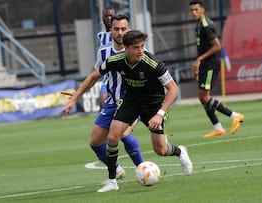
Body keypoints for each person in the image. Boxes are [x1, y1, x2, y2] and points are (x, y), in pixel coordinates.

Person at [61, 30, 193, 192]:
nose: (141, 51)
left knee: (160, 149)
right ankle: (112, 181)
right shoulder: (116, 60)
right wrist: (74, 98)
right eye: (136, 47)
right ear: (126, 48)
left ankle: (180, 152)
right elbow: (94, 75)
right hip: (131, 101)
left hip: (153, 104)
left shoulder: (152, 62)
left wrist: (160, 114)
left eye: (142, 46)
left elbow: (173, 89)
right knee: (112, 136)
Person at [66, 15, 144, 180]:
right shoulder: (103, 52)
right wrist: (75, 97)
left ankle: (143, 169)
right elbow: (94, 76)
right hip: (112, 102)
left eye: (124, 29)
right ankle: (116, 169)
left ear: (129, 29)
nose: (120, 33)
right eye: (116, 29)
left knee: (122, 134)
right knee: (95, 142)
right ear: (110, 30)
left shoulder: (137, 51)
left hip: (132, 102)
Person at [189, 0, 244, 137]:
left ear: (203, 10)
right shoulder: (199, 25)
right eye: (192, 10)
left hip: (210, 65)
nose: (193, 12)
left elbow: (217, 46)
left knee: (204, 97)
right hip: (205, 65)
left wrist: (200, 59)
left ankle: (234, 115)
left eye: (196, 9)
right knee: (203, 97)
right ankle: (218, 127)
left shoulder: (206, 25)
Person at [97, 7, 116, 110]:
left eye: (111, 16)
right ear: (102, 18)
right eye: (106, 16)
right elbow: (99, 60)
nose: (109, 18)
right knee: (102, 103)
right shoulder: (100, 36)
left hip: (122, 73)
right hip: (107, 76)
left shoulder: (123, 33)